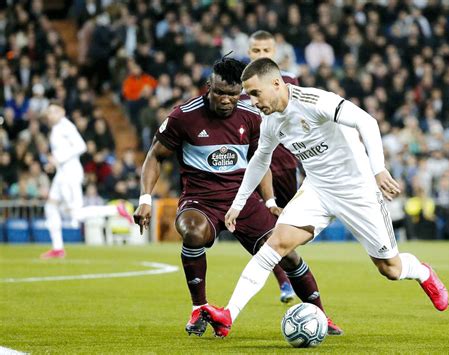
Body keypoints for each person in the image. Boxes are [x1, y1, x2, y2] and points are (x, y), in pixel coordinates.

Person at [200, 58, 449, 337]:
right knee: (276, 244)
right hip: (318, 190)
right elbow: (260, 160)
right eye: (249, 95)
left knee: (390, 268)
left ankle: (423, 272)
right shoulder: (270, 121)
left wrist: (378, 170)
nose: (253, 101)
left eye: (256, 93)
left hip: (357, 191)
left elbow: (366, 121)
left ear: (276, 83)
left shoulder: (313, 100)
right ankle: (228, 315)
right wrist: (238, 203)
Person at [133, 57, 342, 337]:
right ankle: (199, 308)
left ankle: (321, 317)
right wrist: (145, 198)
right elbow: (154, 156)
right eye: (219, 92)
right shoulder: (183, 116)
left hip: (241, 201)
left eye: (233, 94)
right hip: (200, 200)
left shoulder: (251, 115)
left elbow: (261, 160)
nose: (226, 100)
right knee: (193, 233)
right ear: (209, 86)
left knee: (287, 254)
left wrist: (269, 201)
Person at [244, 30, 300, 303]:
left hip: (287, 165)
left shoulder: (288, 82)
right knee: (265, 227)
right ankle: (284, 282)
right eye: (256, 51)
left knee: (287, 226)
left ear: (274, 52)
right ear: (248, 52)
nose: (261, 55)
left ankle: (291, 276)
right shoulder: (242, 90)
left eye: (266, 50)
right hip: (255, 169)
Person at [41, 104, 133, 259]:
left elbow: (81, 146)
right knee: (50, 206)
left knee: (76, 214)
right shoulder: (57, 128)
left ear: (62, 112)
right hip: (62, 173)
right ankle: (58, 248)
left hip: (70, 174)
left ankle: (116, 209)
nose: (50, 115)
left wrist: (58, 159)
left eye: (54, 111)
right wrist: (54, 162)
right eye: (49, 112)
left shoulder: (66, 126)